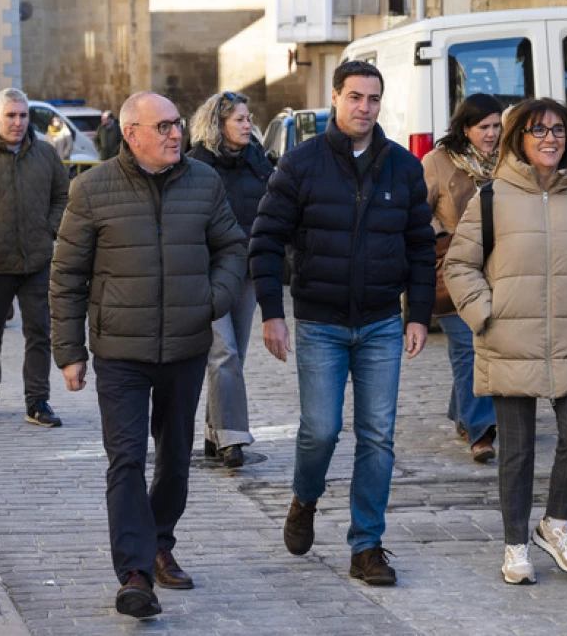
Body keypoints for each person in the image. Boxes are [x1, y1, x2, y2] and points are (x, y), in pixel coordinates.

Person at [49, 92, 248, 619]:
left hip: (185, 345)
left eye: (177, 125)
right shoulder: (91, 190)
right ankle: (135, 572)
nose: (175, 134)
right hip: (121, 351)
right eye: (162, 127)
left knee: (176, 459)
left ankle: (160, 539)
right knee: (127, 459)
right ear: (132, 133)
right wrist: (69, 351)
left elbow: (232, 246)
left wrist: (213, 299)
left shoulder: (204, 183)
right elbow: (67, 276)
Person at [250, 60, 435, 586]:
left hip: (379, 324)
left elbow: (421, 247)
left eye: (373, 99)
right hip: (320, 323)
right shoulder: (301, 163)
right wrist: (271, 313)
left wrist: (417, 314)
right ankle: (305, 497)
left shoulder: (402, 166)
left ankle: (367, 545)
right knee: (321, 430)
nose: (364, 108)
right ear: (335, 98)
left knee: (377, 437)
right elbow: (265, 239)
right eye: (355, 97)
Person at [444, 98, 567, 585]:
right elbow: (459, 265)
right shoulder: (492, 196)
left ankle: (558, 523)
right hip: (510, 338)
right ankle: (515, 546)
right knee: (518, 451)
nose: (550, 138)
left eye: (559, 130)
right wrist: (486, 313)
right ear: (518, 138)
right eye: (538, 130)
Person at [0, 88, 69, 425]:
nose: (18, 122)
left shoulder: (46, 155)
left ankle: (37, 401)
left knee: (39, 331)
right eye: (11, 115)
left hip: (36, 261)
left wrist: (49, 228)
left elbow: (62, 197)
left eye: (23, 115)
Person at [187, 91, 273, 468]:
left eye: (248, 117)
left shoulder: (259, 161)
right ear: (218, 123)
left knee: (233, 354)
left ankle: (214, 433)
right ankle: (234, 438)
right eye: (239, 118)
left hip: (248, 271)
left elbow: (273, 209)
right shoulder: (193, 164)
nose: (247, 124)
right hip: (209, 271)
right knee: (224, 353)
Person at [422, 93, 500, 462]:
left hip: (497, 269)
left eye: (497, 126)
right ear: (465, 127)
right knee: (468, 348)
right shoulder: (437, 162)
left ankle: (462, 410)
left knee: (484, 346)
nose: (491, 134)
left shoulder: (509, 162)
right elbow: (416, 212)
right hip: (452, 269)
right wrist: (439, 232)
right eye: (484, 127)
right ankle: (481, 431)